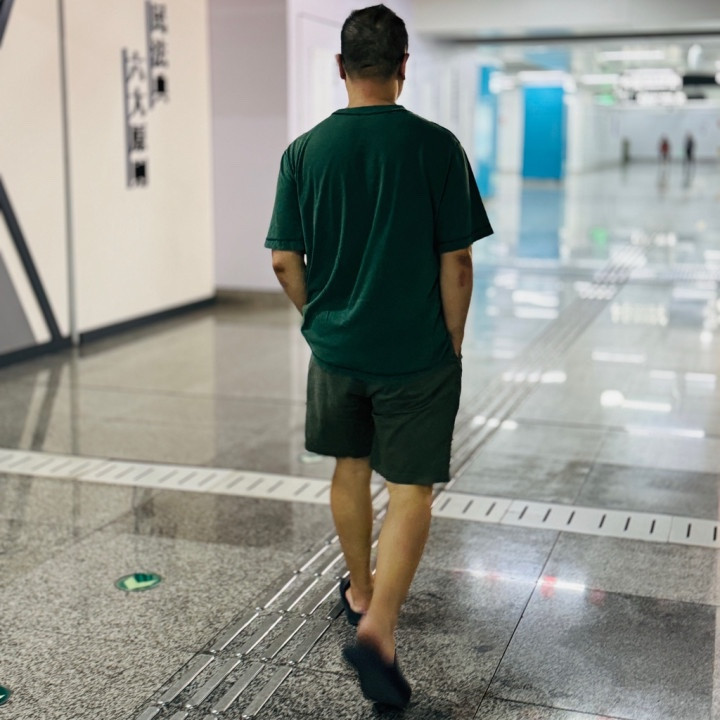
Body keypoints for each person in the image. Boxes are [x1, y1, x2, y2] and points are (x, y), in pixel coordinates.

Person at [265, 3, 493, 709]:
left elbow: (283, 260)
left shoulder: (304, 152)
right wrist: (453, 338)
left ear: (341, 67)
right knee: (411, 489)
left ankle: (360, 590)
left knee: (350, 467)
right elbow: (457, 260)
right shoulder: (437, 146)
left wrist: (321, 320)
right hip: (416, 352)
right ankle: (379, 629)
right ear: (403, 66)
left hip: (338, 350)